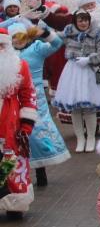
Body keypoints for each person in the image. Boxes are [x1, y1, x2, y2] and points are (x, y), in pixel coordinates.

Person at [7, 22, 69, 188]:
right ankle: (16, 174)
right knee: (15, 136)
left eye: (21, 37)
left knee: (35, 133)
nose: (18, 41)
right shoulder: (7, 54)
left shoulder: (37, 49)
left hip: (35, 98)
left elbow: (57, 44)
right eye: (14, 38)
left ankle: (41, 171)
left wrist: (45, 32)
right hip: (13, 100)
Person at [54, 10, 100, 153]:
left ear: (89, 20)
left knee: (89, 108)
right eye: (80, 20)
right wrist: (41, 31)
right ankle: (80, 138)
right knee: (75, 108)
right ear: (75, 21)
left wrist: (89, 59)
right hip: (72, 71)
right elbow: (54, 39)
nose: (83, 23)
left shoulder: (97, 33)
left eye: (85, 20)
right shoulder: (69, 32)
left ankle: (91, 138)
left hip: (89, 72)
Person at [0, 26, 38, 220]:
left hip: (10, 123)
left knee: (12, 162)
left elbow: (28, 95)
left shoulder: (20, 66)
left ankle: (15, 203)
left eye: (1, 46)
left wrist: (26, 125)